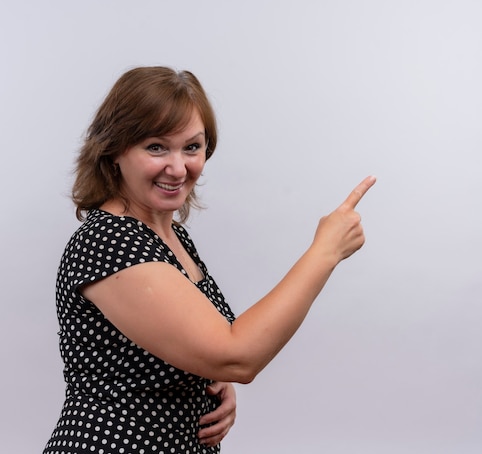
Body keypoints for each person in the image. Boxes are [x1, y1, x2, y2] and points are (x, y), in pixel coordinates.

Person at [43, 66, 376, 454]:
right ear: (114, 151)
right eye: (156, 147)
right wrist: (325, 252)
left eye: (192, 147)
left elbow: (188, 344)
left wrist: (207, 379)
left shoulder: (170, 236)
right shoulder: (108, 241)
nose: (178, 167)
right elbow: (237, 354)